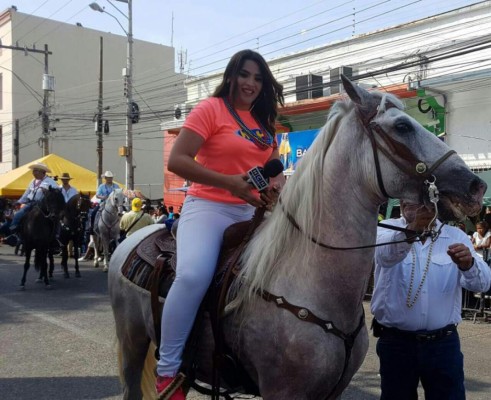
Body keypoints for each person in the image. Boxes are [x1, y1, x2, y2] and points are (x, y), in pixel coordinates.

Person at [155, 49, 285, 399]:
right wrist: (230, 183)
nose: (251, 83)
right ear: (231, 76)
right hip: (208, 206)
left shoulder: (265, 126)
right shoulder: (209, 110)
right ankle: (167, 371)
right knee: (193, 275)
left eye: (258, 78)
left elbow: (274, 174)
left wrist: (274, 191)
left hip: (251, 212)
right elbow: (178, 161)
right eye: (245, 75)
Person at [371, 201, 491, 400]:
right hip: (397, 343)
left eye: (426, 202)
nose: (421, 208)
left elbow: (484, 283)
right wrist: (412, 230)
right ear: (401, 203)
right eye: (413, 202)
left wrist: (468, 264)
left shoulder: (455, 236)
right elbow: (385, 256)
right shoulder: (385, 230)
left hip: (443, 344)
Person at [2, 163, 58, 245]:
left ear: (43, 172)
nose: (33, 173)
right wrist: (19, 202)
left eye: (35, 171)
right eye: (33, 171)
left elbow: (55, 194)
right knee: (18, 215)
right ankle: (14, 235)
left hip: (43, 205)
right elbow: (27, 193)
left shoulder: (51, 182)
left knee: (55, 220)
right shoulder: (32, 181)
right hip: (30, 203)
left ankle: (56, 237)